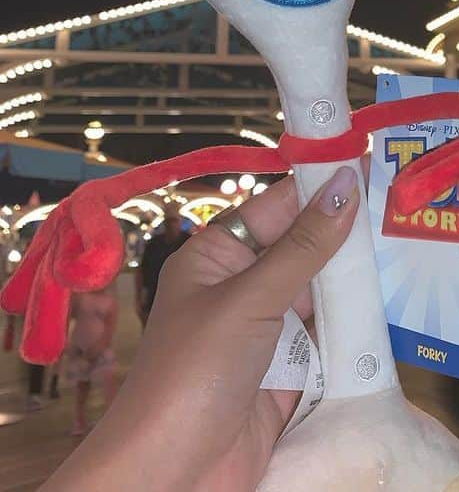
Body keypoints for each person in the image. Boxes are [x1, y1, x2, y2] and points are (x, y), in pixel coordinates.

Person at [41, 166, 359, 490]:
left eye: (174, 218)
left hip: (195, 310)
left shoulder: (181, 241)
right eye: (169, 218)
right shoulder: (156, 246)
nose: (172, 222)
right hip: (170, 303)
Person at [65, 283, 118, 436]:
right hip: (80, 347)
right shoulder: (80, 297)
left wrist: (101, 345)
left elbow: (110, 327)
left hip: (101, 348)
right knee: (82, 386)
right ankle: (79, 419)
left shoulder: (110, 302)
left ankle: (111, 417)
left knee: (108, 382)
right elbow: (66, 316)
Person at [135, 200, 189, 325]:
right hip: (154, 299)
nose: (171, 225)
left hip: (181, 299)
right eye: (168, 221)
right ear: (164, 223)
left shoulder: (188, 242)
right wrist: (138, 299)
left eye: (174, 221)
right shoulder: (154, 244)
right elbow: (141, 272)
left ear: (179, 222)